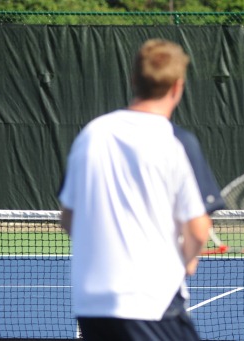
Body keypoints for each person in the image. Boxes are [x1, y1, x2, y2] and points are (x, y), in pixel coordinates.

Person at [59, 39, 212, 340]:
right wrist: (188, 259)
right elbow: (197, 230)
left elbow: (68, 219)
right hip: (152, 306)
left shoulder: (90, 135)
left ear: (133, 80)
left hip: (91, 307)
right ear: (177, 87)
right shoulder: (177, 142)